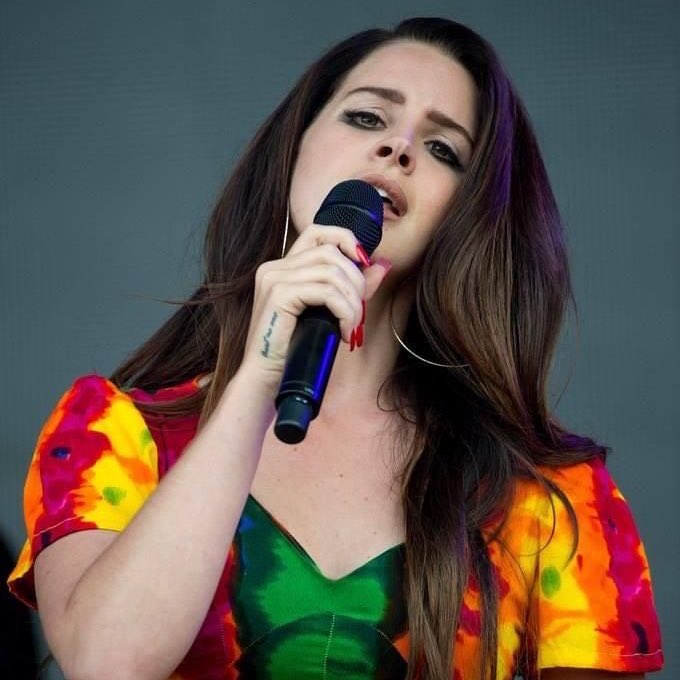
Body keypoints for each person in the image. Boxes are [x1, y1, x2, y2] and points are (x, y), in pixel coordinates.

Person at [7, 16, 663, 680]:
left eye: (443, 149)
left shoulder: (549, 494)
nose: (399, 148)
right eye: (368, 118)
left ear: (466, 215)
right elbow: (107, 662)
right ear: (295, 148)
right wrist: (258, 379)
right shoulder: (112, 432)